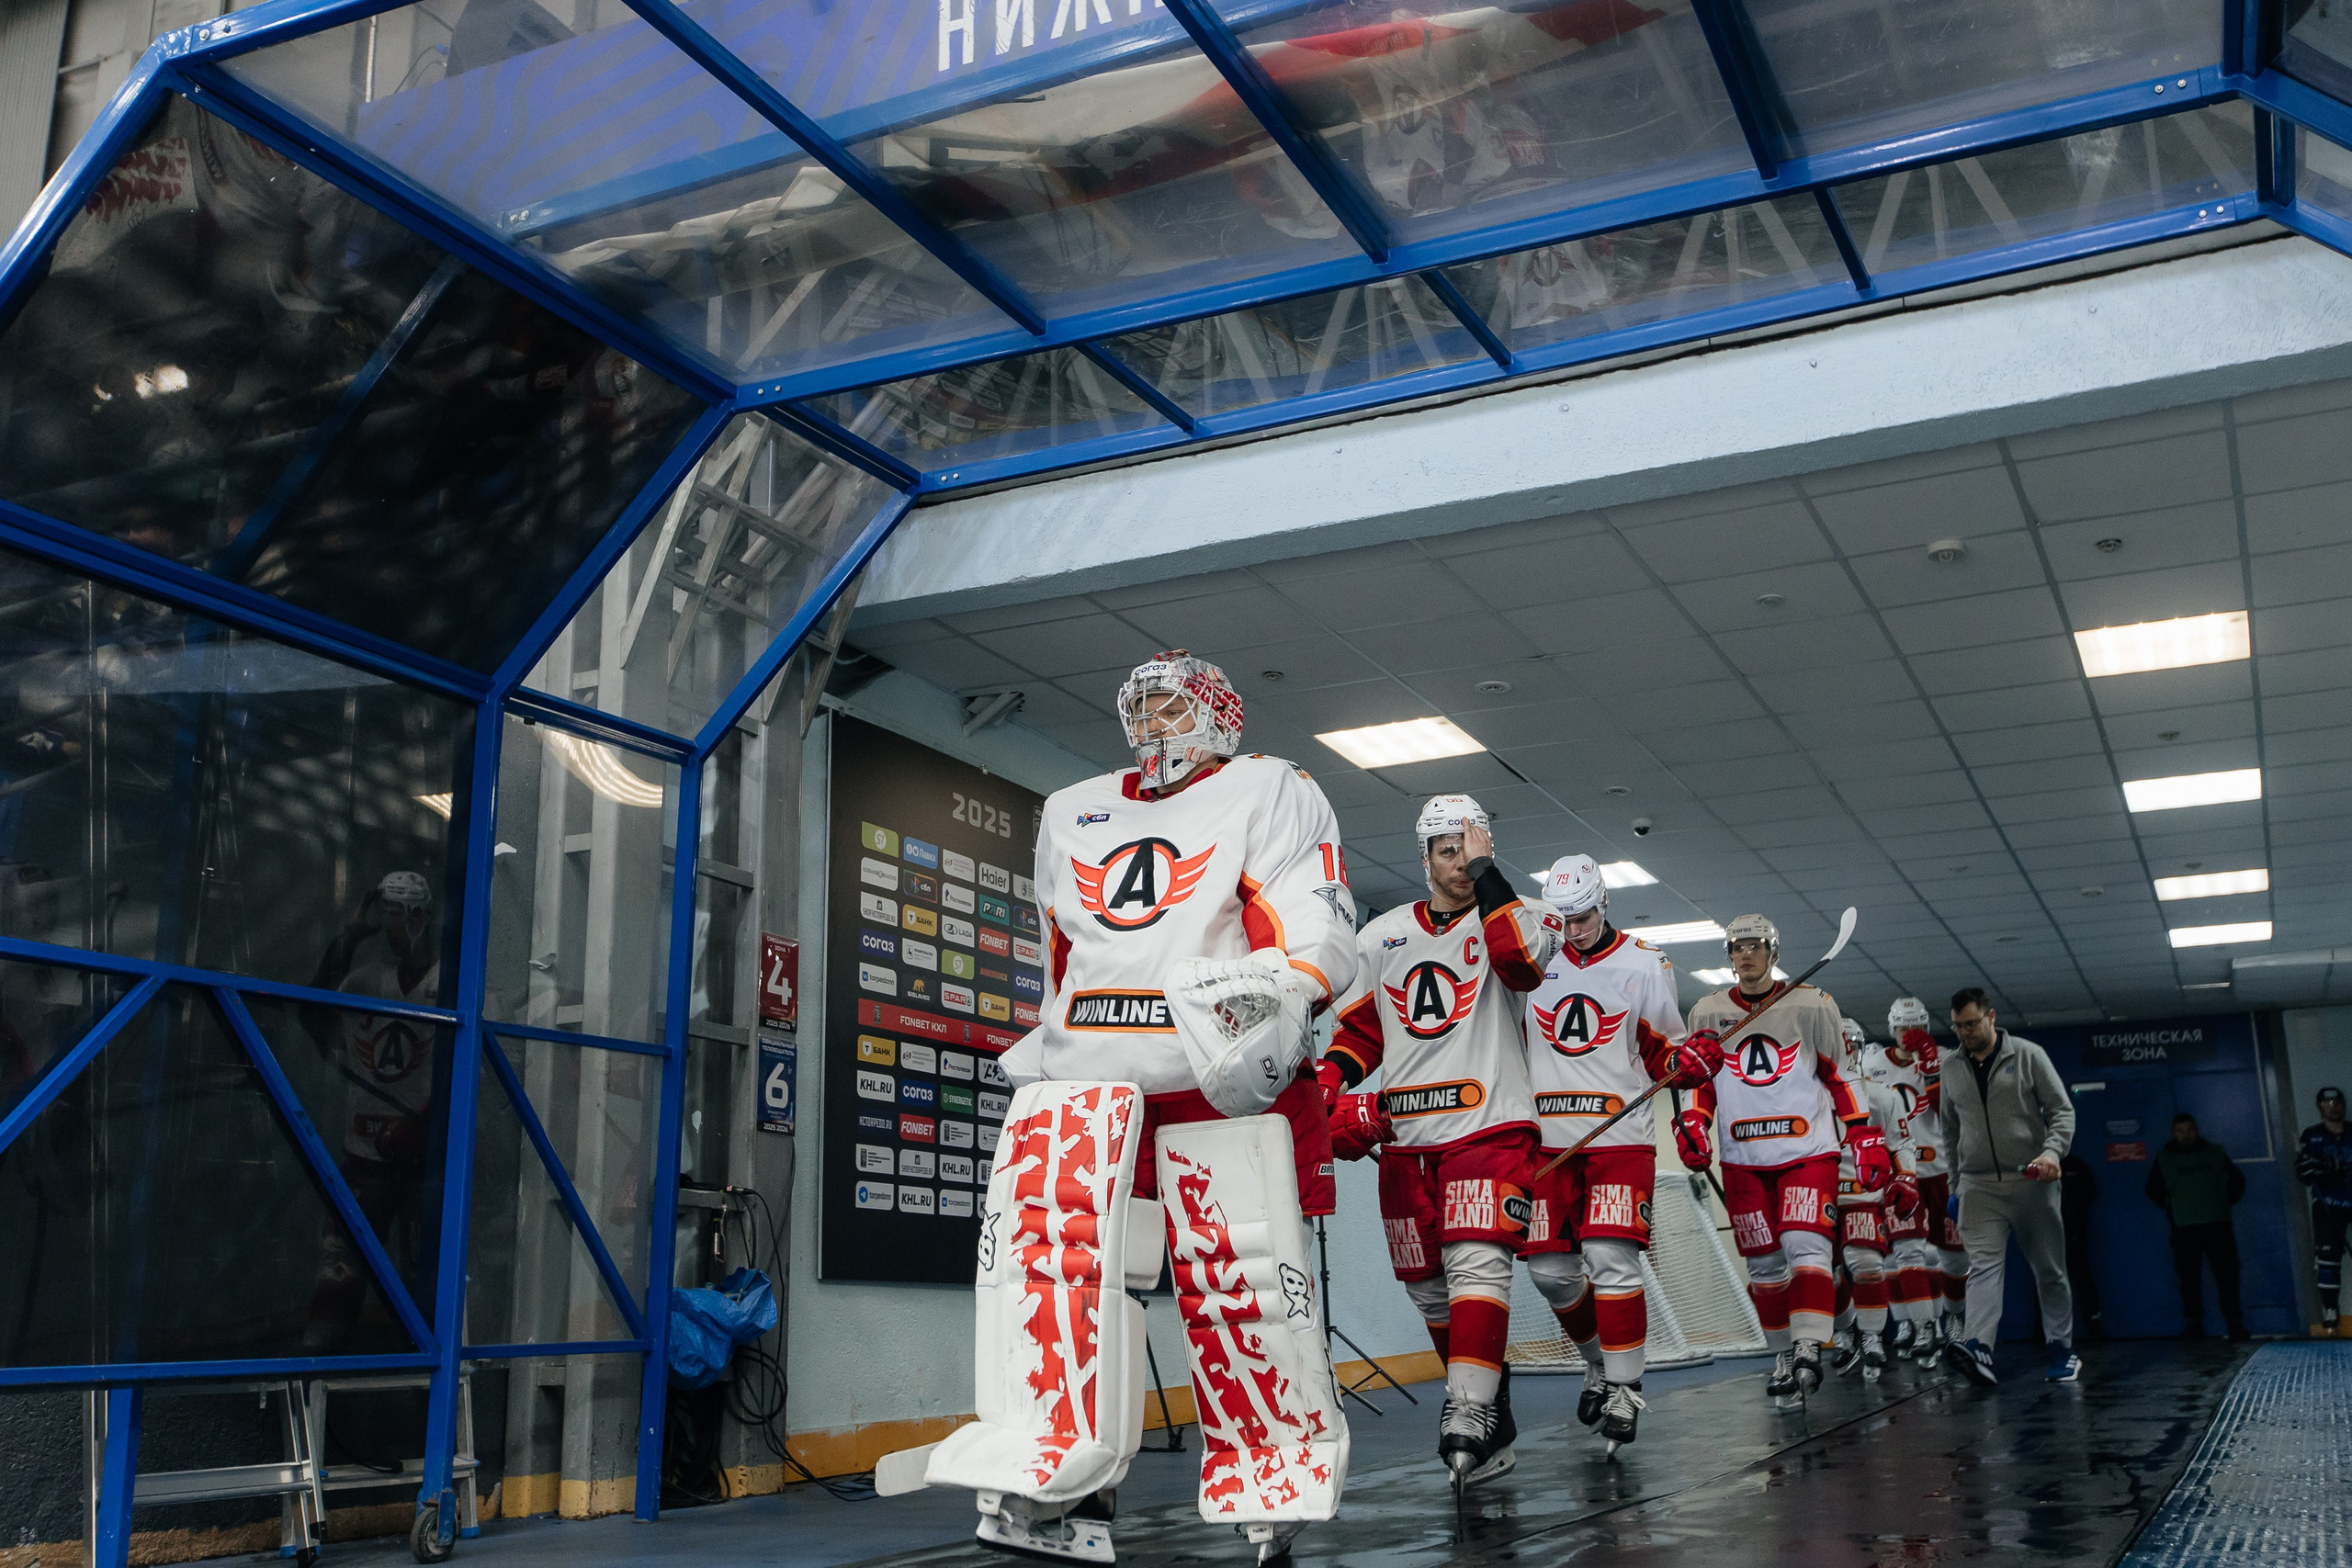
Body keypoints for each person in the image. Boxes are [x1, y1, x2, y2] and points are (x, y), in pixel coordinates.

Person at [947, 649, 1360, 1563]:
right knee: (1073, 1283)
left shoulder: (1269, 787)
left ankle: (1272, 1469)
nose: (1153, 724)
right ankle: (1072, 1484)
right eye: (1143, 708)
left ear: (1218, 713)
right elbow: (1060, 952)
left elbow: (1312, 914)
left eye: (1173, 707)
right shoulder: (1074, 809)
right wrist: (1049, 1045)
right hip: (1094, 1087)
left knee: (1240, 1280)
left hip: (1215, 1077)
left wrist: (1294, 988)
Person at [1321, 795, 1562, 1495]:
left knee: (1476, 1262)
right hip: (1408, 1141)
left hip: (1491, 1126)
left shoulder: (1521, 914)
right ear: (1424, 856)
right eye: (1447, 850)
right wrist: (1330, 1085)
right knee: (1428, 1287)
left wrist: (1489, 873)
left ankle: (1468, 1405)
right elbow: (1363, 1032)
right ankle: (1492, 1404)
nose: (1459, 862)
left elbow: (1519, 965)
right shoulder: (1382, 936)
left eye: (1470, 849)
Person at [1516, 853, 1713, 1451]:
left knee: (1610, 1257)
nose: (1573, 930)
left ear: (1604, 904)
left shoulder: (1645, 964)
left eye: (1582, 917)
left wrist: (1689, 1086)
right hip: (1548, 1142)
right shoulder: (1530, 960)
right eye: (1562, 919)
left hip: (1620, 1138)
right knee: (1550, 1274)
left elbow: (1667, 1053)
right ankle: (1599, 1363)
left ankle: (1626, 1389)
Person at [1679, 915, 1884, 1405]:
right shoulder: (1707, 1011)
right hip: (1743, 1157)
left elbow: (1841, 1074)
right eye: (1738, 948)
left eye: (1755, 946)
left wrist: (1862, 1133)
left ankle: (1809, 1345)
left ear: (1773, 952)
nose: (1746, 955)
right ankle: (1784, 1356)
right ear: (1730, 956)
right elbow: (1698, 1081)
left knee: (1804, 1246)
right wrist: (1693, 1124)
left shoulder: (1813, 1004)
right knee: (1765, 1267)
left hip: (1807, 1152)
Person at [300, 869, 444, 1349]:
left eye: (396, 915)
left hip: (422, 1166)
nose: (388, 927)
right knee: (339, 1265)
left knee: (424, 1275)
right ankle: (317, 1366)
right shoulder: (365, 981)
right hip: (364, 1158)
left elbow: (475, 1074)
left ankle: (420, 1368)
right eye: (384, 914)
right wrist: (348, 938)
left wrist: (424, 1126)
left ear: (420, 916)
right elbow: (311, 1013)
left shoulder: (450, 985)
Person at [1936, 987, 2078, 1386]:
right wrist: (1954, 1186)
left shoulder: (2029, 1056)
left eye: (1971, 1023)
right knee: (1982, 1267)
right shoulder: (1950, 1067)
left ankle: (2061, 1349)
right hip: (1978, 1185)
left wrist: (2051, 1153)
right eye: (1958, 1026)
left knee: (2050, 1270)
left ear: (1991, 1017)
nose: (1964, 1032)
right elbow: (1950, 1131)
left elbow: (2062, 1111)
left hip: (2031, 1180)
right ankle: (1979, 1347)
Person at [1831, 1018, 1920, 1381]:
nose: (1843, 1054)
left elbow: (1901, 1143)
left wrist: (1906, 1178)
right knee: (1822, 1273)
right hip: (1816, 1187)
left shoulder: (1882, 1095)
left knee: (1866, 1263)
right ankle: (1845, 1331)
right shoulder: (1803, 1095)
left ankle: (1871, 1337)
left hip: (1863, 1189)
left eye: (1849, 1047)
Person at [1867, 1000, 1943, 1362]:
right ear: (1892, 1029)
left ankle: (1942, 1323)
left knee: (1941, 1254)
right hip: (1895, 1169)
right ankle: (1910, 1324)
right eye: (1902, 1028)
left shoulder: (1944, 1058)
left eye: (1917, 1029)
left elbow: (1951, 1113)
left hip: (1938, 1165)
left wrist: (1932, 1071)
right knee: (1898, 1254)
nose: (1909, 1035)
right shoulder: (1870, 1063)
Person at [2145, 1112, 2249, 1341]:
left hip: (2217, 1226)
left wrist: (2221, 1203)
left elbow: (2237, 1181)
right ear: (2174, 1133)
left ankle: (2234, 1324)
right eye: (2180, 1131)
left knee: (2227, 1276)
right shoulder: (2164, 1158)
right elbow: (2153, 1189)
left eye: (2189, 1130)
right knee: (2188, 1278)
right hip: (2185, 1228)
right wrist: (2173, 1207)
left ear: (2197, 1130)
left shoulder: (2214, 1153)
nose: (2186, 1135)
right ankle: (2194, 1326)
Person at [2297, 1086, 2351, 1335]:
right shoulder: (2312, 1136)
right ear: (2320, 1107)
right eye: (2328, 1104)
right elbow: (2303, 1173)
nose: (2333, 1108)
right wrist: (2312, 1168)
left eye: (2337, 1103)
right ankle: (2330, 1309)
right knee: (2327, 1259)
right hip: (2328, 1204)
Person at [2060, 1152, 2105, 1340]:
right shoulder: (2037, 1167)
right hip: (2049, 1233)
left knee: (2082, 1278)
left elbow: (2089, 1192)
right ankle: (2045, 1331)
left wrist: (2077, 1216)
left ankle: (2094, 1325)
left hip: (2076, 1232)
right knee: (2048, 1279)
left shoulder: (2075, 1166)